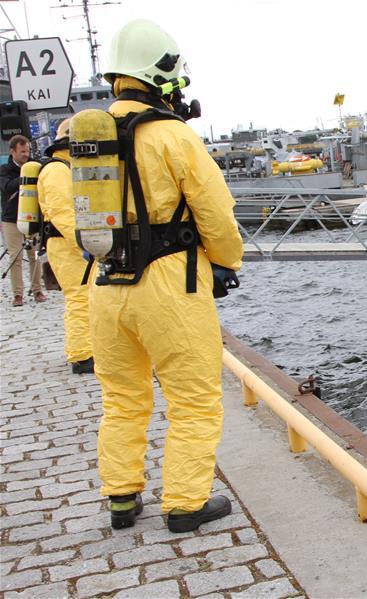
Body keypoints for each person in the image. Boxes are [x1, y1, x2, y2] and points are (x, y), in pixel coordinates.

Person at [88, 19, 243, 532]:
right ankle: (184, 503)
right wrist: (226, 262)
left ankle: (121, 498)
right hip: (168, 282)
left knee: (123, 398)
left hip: (106, 284)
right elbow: (216, 214)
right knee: (194, 396)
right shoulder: (173, 136)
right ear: (163, 77)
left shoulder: (89, 140)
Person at [36, 119, 94, 374]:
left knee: (87, 296)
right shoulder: (57, 171)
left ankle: (89, 348)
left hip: (68, 242)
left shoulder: (66, 168)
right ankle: (81, 355)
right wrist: (84, 242)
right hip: (65, 243)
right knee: (79, 296)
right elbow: (63, 213)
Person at [1, 135, 46, 306]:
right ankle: (17, 294)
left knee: (34, 255)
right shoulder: (5, 170)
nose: (25, 155)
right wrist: (26, 176)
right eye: (22, 152)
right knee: (15, 257)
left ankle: (38, 290)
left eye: (27, 151)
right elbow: (6, 187)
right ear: (12, 152)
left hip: (32, 216)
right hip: (12, 218)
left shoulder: (35, 165)